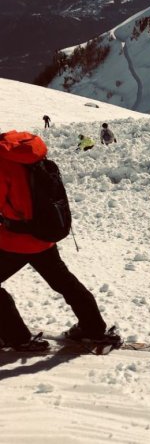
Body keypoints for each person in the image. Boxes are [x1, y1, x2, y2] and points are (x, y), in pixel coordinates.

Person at [0, 131, 119, 351]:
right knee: (65, 283)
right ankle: (93, 329)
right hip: (44, 237)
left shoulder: (2, 164)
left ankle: (16, 336)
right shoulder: (32, 153)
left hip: (14, 241)